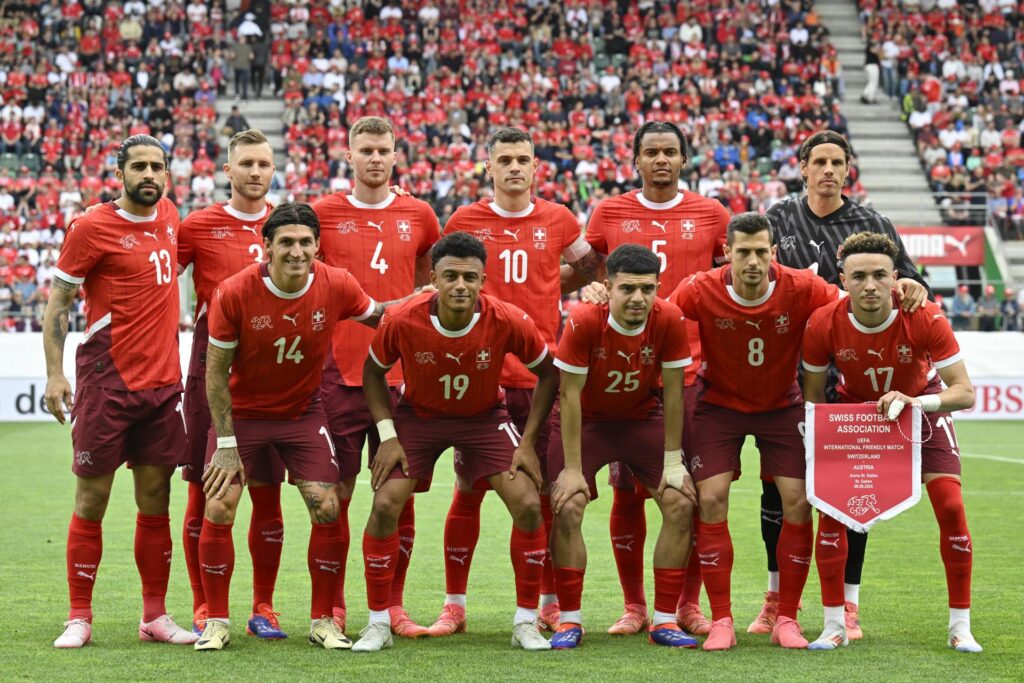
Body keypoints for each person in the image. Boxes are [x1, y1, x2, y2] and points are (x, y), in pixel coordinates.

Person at [194, 202, 392, 651]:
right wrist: (225, 444)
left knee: (327, 505)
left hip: (302, 415)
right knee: (220, 505)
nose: (296, 251)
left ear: (318, 246)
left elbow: (382, 314)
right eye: (286, 242)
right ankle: (217, 621)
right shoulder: (233, 292)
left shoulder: (337, 283)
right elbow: (216, 373)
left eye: (305, 242)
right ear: (266, 247)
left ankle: (324, 620)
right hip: (241, 417)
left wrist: (434, 301)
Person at [352, 231, 559, 653]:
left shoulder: (506, 318)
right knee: (386, 503)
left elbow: (549, 372)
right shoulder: (402, 317)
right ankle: (377, 624)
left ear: (484, 280)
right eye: (450, 276)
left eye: (470, 277)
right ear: (434, 277)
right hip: (418, 418)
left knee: (527, 502)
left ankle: (525, 622)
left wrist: (528, 442)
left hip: (484, 419)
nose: (460, 285)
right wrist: (388, 435)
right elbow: (372, 373)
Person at [431, 127, 602, 636]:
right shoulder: (466, 220)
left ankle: (548, 601)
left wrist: (555, 283)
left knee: (546, 491)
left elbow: (588, 265)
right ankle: (454, 605)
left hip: (540, 376)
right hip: (482, 376)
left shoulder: (558, 218)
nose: (513, 167)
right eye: (503, 159)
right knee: (469, 486)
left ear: (535, 167)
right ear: (489, 167)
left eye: (522, 159)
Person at [760, 129, 929, 638]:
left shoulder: (872, 223)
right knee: (778, 489)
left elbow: (910, 284)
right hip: (790, 376)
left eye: (838, 161)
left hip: (854, 383)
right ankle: (775, 598)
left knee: (852, 495)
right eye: (820, 162)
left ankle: (848, 604)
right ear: (803, 167)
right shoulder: (777, 218)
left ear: (848, 168)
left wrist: (916, 284)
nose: (829, 170)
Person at [572, 120, 728, 636]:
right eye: (651, 152)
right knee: (627, 494)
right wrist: (593, 291)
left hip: (693, 375)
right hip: (628, 373)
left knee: (690, 491)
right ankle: (634, 606)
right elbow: (588, 270)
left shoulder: (712, 213)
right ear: (635, 160)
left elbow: (733, 278)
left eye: (670, 152)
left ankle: (685, 605)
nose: (661, 160)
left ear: (685, 159)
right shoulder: (610, 211)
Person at [44, 135, 197, 648]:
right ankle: (79, 617)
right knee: (93, 497)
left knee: (155, 500)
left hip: (161, 387)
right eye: (139, 166)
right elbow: (59, 304)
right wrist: (55, 373)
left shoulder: (171, 214)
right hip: (107, 384)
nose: (149, 174)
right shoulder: (90, 227)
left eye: (157, 166)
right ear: (120, 173)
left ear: (168, 175)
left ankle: (154, 616)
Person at [667, 213, 843, 651]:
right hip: (718, 406)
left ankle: (787, 617)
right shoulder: (699, 287)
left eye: (761, 252)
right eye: (742, 251)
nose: (752, 260)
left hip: (781, 407)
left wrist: (904, 289)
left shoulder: (801, 285)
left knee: (799, 502)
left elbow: (850, 300)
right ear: (727, 252)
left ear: (773, 253)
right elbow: (659, 314)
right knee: (709, 498)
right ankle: (722, 618)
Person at [802, 232, 982, 653]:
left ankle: (960, 626)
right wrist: (824, 439)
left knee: (952, 507)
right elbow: (813, 396)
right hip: (857, 419)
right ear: (842, 279)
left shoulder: (925, 315)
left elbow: (964, 392)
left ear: (895, 278)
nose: (870, 285)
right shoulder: (823, 322)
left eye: (880, 275)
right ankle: (833, 624)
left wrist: (916, 401)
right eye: (859, 275)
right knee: (831, 513)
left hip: (920, 409)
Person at [312, 116, 440, 637]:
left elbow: (429, 285)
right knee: (335, 495)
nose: (375, 158)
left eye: (383, 150)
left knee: (396, 495)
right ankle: (333, 607)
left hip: (400, 378)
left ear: (395, 155)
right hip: (338, 376)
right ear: (349, 156)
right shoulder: (322, 213)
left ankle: (392, 607)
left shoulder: (421, 214)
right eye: (365, 150)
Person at [548, 244, 699, 650]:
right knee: (568, 502)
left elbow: (673, 393)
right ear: (608, 287)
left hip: (640, 419)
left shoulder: (669, 318)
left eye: (647, 289)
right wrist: (573, 469)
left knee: (681, 501)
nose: (638, 298)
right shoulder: (582, 320)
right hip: (589, 422)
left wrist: (673, 463)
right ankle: (570, 620)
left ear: (658, 288)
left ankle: (665, 620)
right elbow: (570, 396)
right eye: (628, 288)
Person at [177, 129, 286, 639]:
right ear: (228, 170)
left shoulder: (289, 225)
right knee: (205, 493)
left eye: (264, 163)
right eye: (246, 163)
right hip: (210, 375)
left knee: (267, 496)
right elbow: (155, 281)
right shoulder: (198, 226)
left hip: (273, 378)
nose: (256, 172)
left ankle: (263, 606)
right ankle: (203, 606)